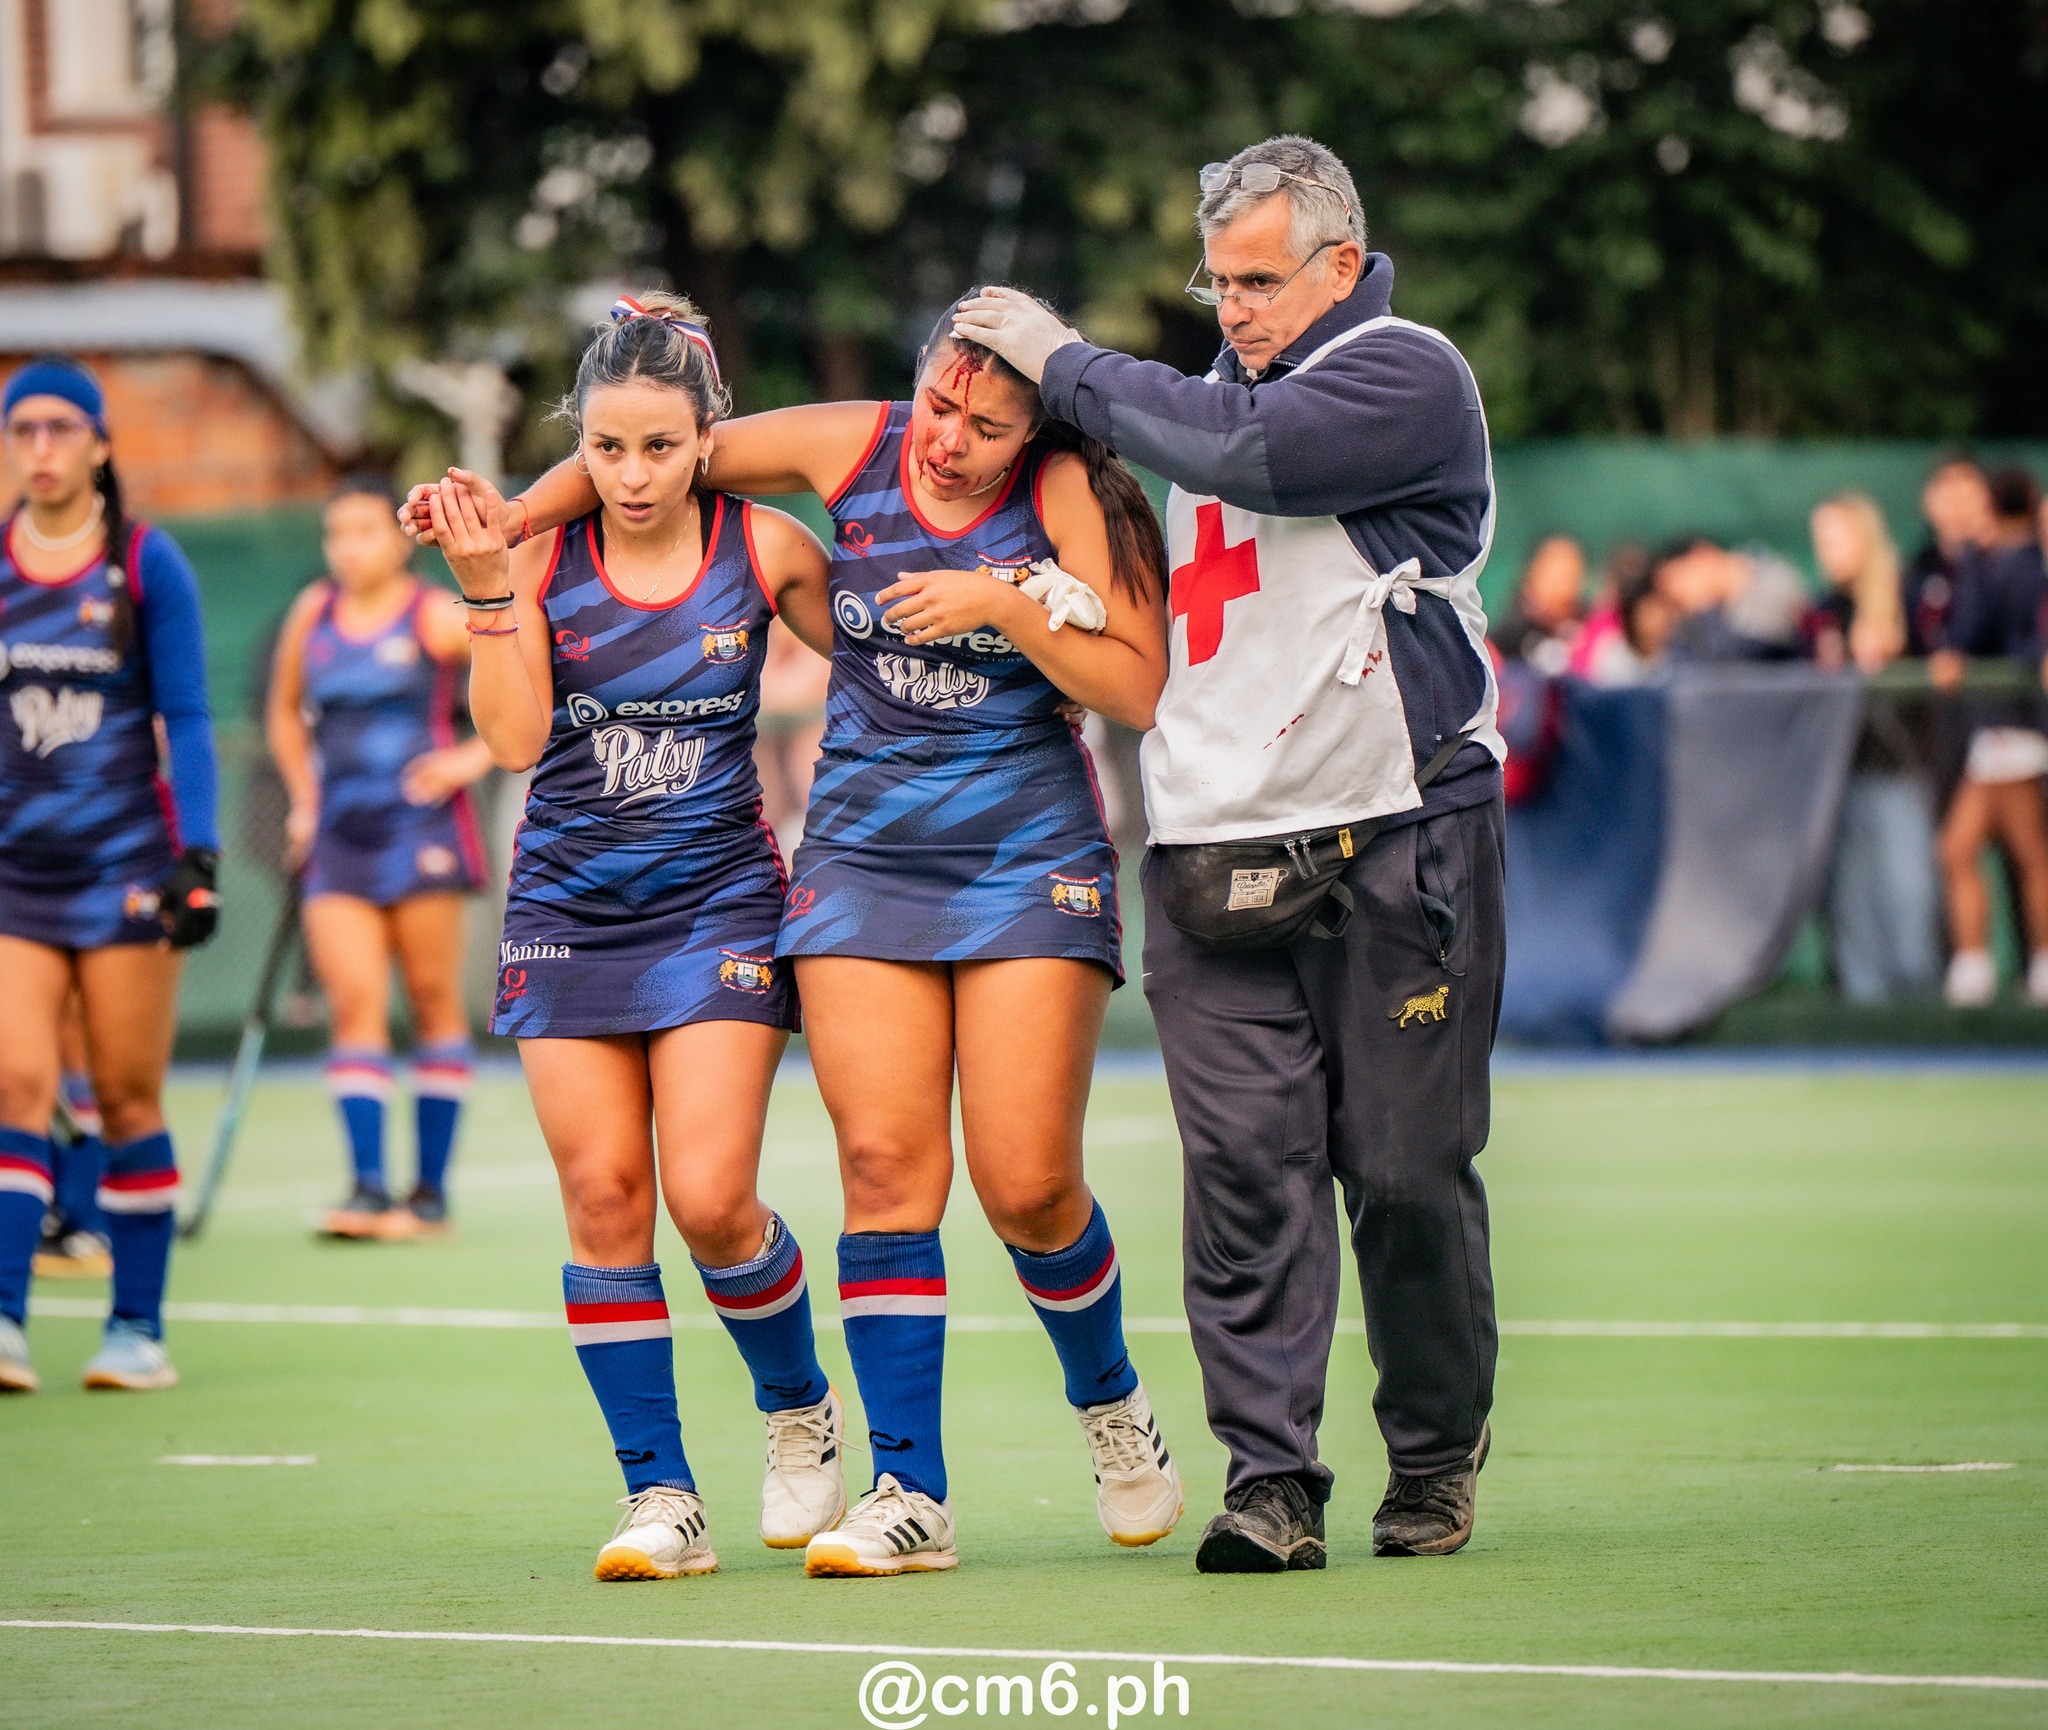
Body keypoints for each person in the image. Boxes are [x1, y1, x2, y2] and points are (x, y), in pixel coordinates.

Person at [415, 288, 1184, 1581]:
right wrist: (504, 526)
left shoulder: (1057, 491)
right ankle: (908, 1489)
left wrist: (1006, 606)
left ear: (1033, 428)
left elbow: (1140, 686)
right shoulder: (854, 444)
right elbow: (661, 449)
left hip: (1021, 855)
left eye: (985, 426)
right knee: (884, 1169)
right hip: (861, 859)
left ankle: (1110, 1401)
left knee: (1026, 1181)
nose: (948, 437)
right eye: (940, 398)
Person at [957, 133, 1504, 1568]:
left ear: (1342, 262)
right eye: (1218, 280)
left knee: (1403, 1166)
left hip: (1402, 826)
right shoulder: (1179, 405)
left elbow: (1260, 458)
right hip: (1207, 839)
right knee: (1245, 1175)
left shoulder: (1408, 369)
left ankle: (1436, 1454)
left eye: (1261, 279)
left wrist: (1068, 361)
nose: (1234, 306)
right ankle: (1272, 1478)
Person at [428, 294, 850, 1582]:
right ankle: (661, 1495)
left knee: (710, 1198)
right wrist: (489, 587)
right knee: (604, 1200)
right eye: (605, 448)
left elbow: (884, 675)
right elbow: (506, 742)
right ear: (578, 443)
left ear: (708, 437)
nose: (630, 474)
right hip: (564, 910)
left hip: (719, 901)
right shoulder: (538, 562)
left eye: (659, 446)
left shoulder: (768, 546)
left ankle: (799, 1411)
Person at [0, 355, 220, 1395]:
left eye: (58, 429)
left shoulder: (143, 562)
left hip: (127, 870)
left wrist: (201, 855)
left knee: (128, 1094)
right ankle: (5, 1321)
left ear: (97, 443)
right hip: (15, 877)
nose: (40, 448)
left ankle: (136, 1328)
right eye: (22, 429)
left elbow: (188, 715)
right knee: (15, 1082)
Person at [268, 473, 494, 1239]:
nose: (350, 549)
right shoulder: (314, 614)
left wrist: (471, 759)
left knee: (432, 1000)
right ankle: (368, 1189)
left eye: (366, 531)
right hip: (340, 836)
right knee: (354, 1004)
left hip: (421, 833)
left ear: (399, 538)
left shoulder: (433, 615)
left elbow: (523, 676)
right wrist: (304, 796)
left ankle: (428, 1196)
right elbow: (284, 716)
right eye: (337, 534)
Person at [1808, 493, 1939, 1004]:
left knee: (1908, 887)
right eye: (1820, 541)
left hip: (1901, 769)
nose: (1827, 550)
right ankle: (1865, 1004)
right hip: (1840, 773)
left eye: (1836, 538)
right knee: (1850, 894)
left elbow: (1946, 660)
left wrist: (1891, 657)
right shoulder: (1822, 610)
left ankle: (1920, 1000)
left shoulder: (1906, 596)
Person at [1931, 465, 2048, 1006]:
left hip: (2020, 728)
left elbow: (2024, 638)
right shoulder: (1982, 565)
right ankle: (1974, 965)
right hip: (1991, 730)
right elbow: (1967, 633)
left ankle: (2035, 963)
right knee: (1961, 851)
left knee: (2030, 854)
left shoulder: (2028, 567)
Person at [753, 617, 830, 859]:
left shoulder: (813, 625)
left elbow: (808, 685)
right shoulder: (765, 626)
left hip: (808, 725)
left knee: (812, 795)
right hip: (769, 731)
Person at [1904, 455, 1994, 656]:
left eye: (1967, 497)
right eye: (1948, 497)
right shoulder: (1914, 573)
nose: (1957, 508)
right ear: (1928, 501)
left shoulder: (2006, 569)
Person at [1489, 534, 1584, 675]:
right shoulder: (1510, 636)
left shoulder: (1588, 627)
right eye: (1555, 577)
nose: (1564, 588)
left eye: (1570, 576)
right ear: (1531, 577)